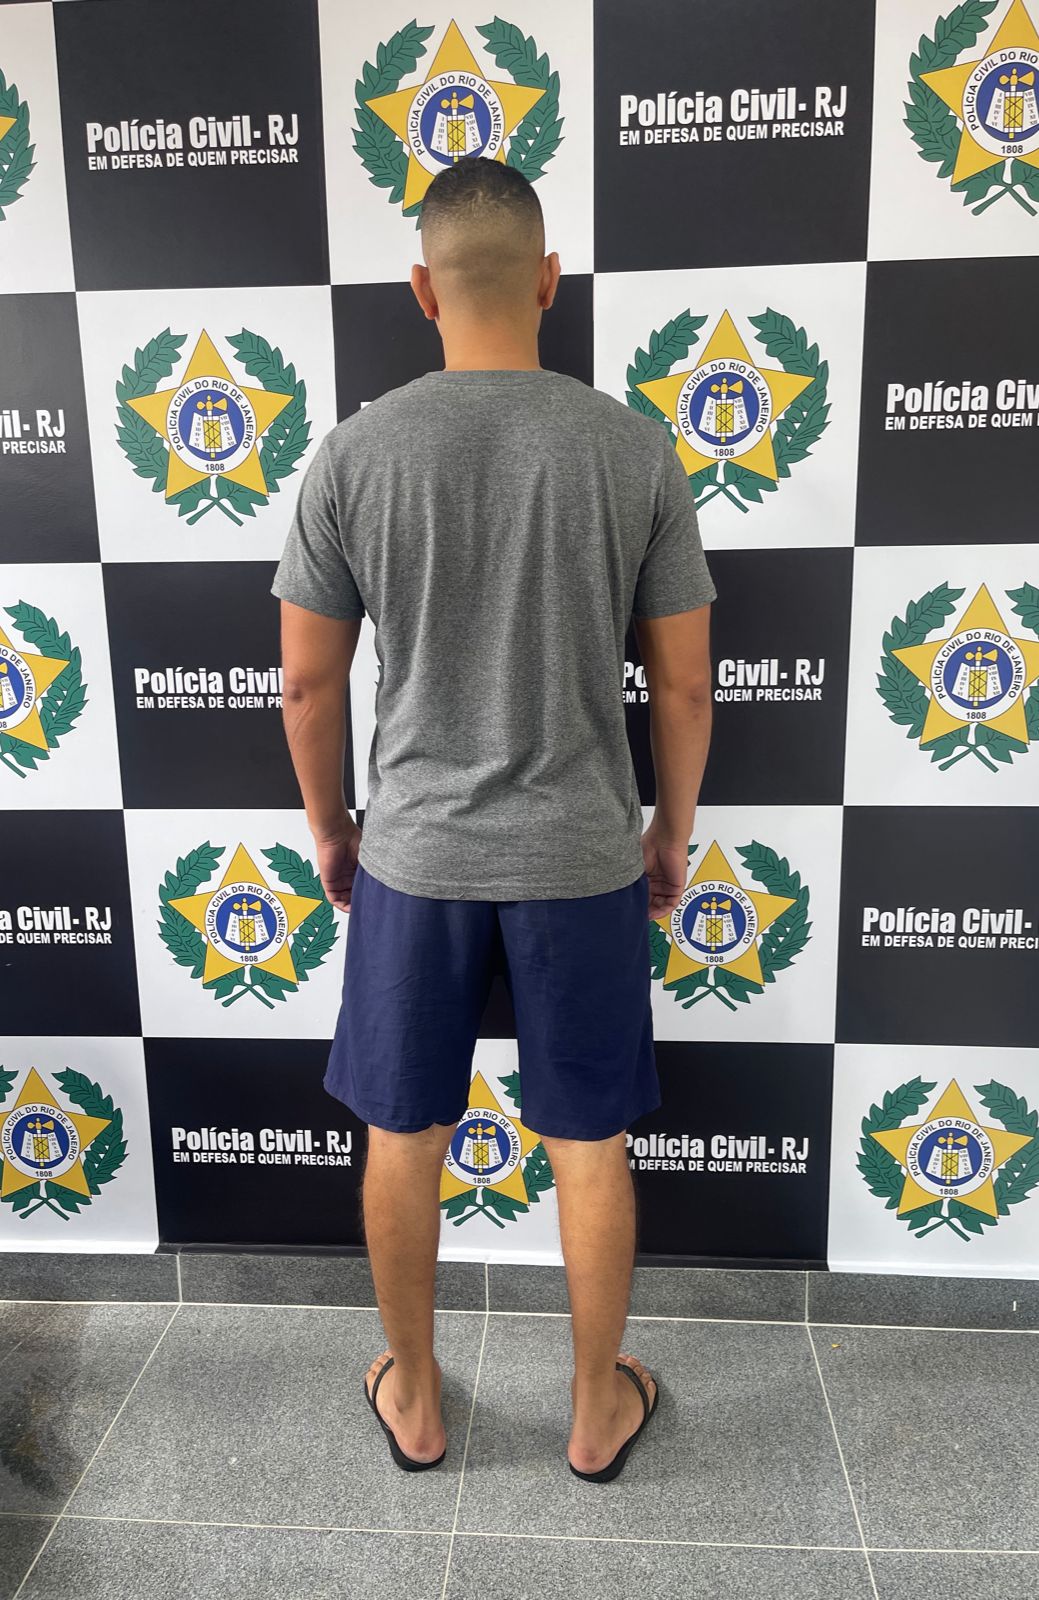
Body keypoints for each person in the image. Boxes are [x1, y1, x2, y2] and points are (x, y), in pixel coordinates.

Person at [271, 155, 714, 1482]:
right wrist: (669, 834)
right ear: (549, 280)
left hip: (414, 854)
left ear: (421, 289)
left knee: (402, 1137)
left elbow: (306, 684)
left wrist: (333, 828)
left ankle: (414, 1398)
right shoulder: (632, 448)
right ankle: (594, 1412)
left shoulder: (354, 454)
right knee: (589, 1144)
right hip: (581, 853)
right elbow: (685, 684)